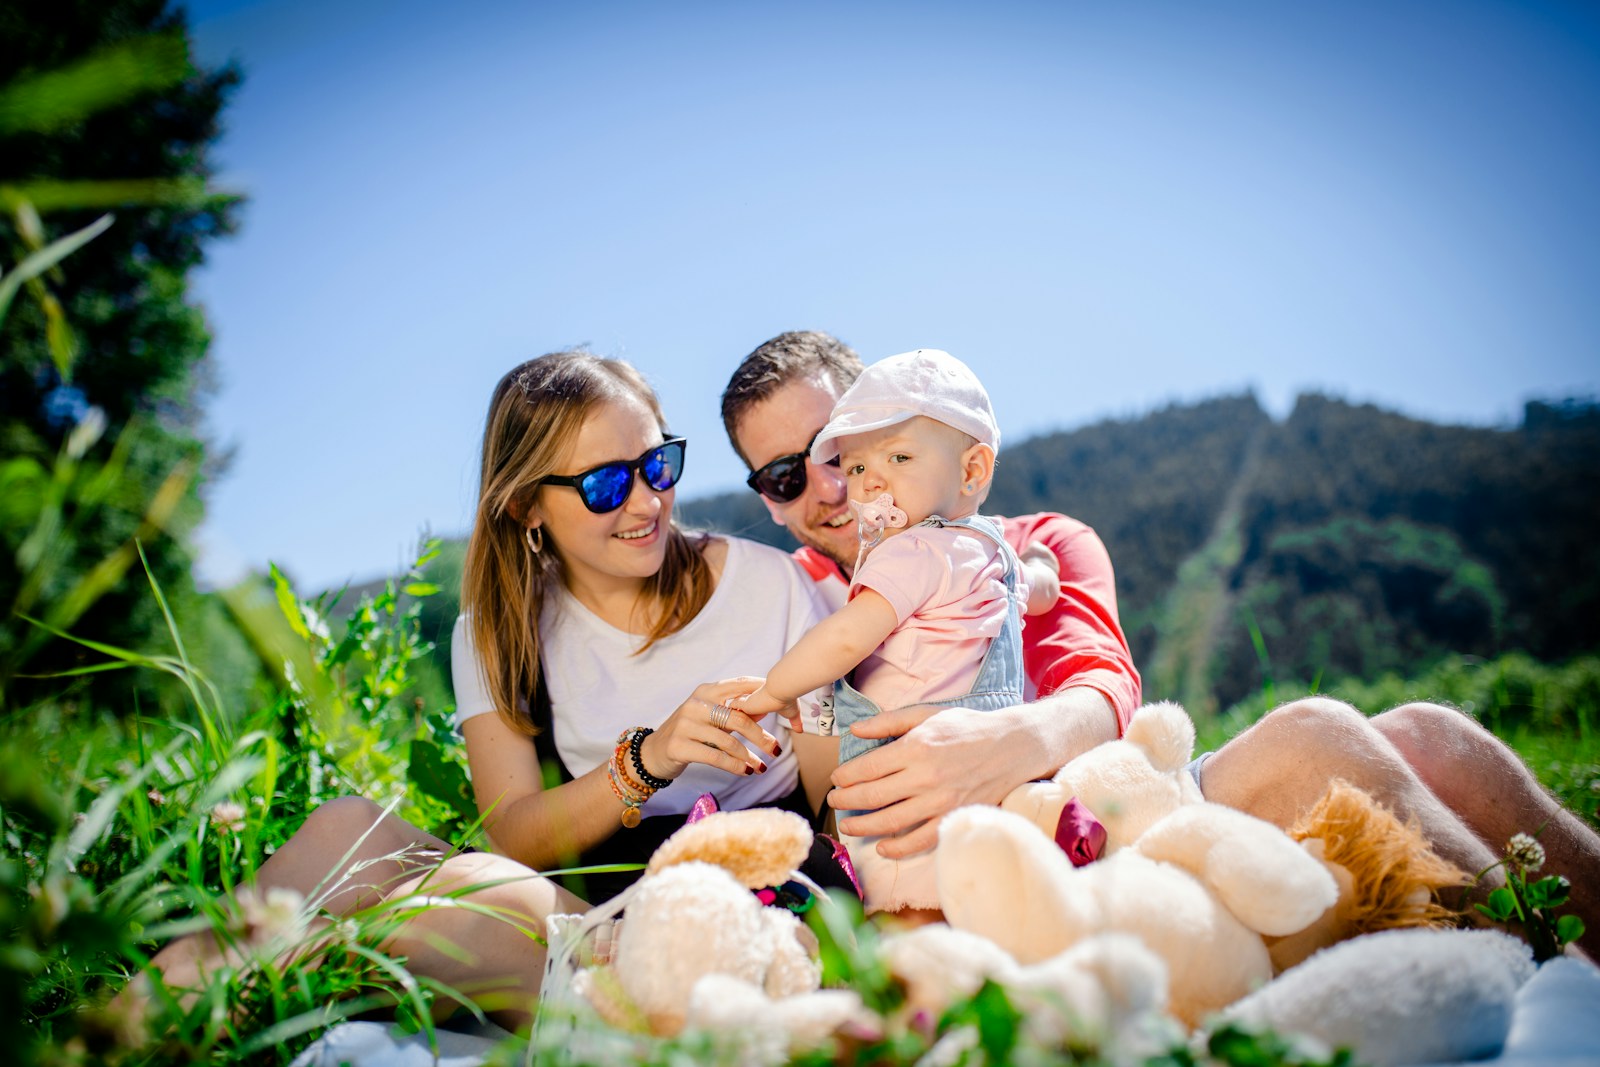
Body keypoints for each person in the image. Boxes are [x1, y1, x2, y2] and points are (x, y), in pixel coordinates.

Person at [722, 331, 1600, 954]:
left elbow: (1103, 684)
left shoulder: (1039, 540)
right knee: (1319, 738)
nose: (835, 488)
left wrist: (1011, 740)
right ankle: (1554, 977)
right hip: (966, 873)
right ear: (764, 496)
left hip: (1098, 806)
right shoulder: (796, 599)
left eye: (846, 449)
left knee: (1431, 734)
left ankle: (1570, 969)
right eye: (787, 475)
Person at [139, 349, 843, 1030]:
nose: (647, 500)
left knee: (453, 900)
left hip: (744, 906)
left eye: (657, 463)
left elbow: (836, 808)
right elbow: (517, 836)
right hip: (600, 896)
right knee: (344, 827)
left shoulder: (769, 586)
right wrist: (648, 758)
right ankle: (120, 1021)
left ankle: (221, 1008)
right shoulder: (498, 632)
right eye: (605, 484)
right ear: (527, 507)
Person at [728, 349, 1061, 915]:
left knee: (905, 910)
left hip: (907, 802)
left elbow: (842, 642)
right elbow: (1040, 588)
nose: (858, 487)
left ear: (973, 470)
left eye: (898, 457)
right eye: (857, 467)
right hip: (992, 783)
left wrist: (771, 692)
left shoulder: (906, 553)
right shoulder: (989, 551)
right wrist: (1040, 564)